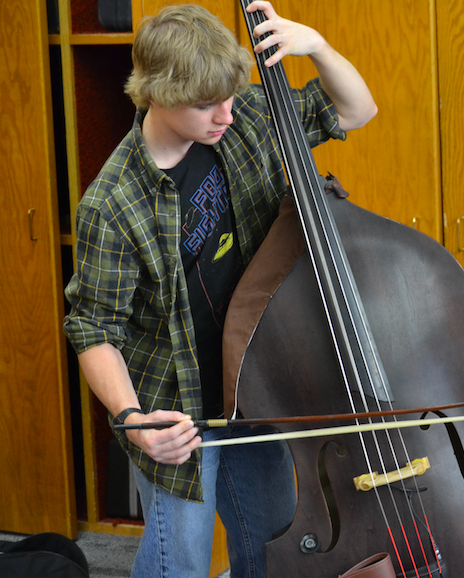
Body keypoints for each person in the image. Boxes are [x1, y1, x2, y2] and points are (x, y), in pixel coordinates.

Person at [62, 2, 377, 577]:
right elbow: (92, 328)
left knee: (276, 545)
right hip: (176, 407)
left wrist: (319, 47)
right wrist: (134, 420)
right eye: (206, 104)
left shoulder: (245, 118)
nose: (225, 115)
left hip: (255, 386)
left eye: (230, 97)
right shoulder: (111, 205)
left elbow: (357, 110)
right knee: (177, 561)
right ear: (154, 93)